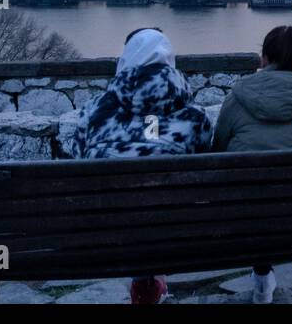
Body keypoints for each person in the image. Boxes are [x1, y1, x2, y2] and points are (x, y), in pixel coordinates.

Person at [73, 27, 212, 304]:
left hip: (102, 233)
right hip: (178, 235)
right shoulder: (195, 118)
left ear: (124, 62)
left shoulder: (92, 111)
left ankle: (144, 282)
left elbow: (76, 164)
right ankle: (153, 281)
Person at [211, 25, 292, 303]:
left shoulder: (236, 98)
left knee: (256, 200)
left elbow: (217, 155)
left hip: (245, 217)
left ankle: (261, 275)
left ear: (265, 58)